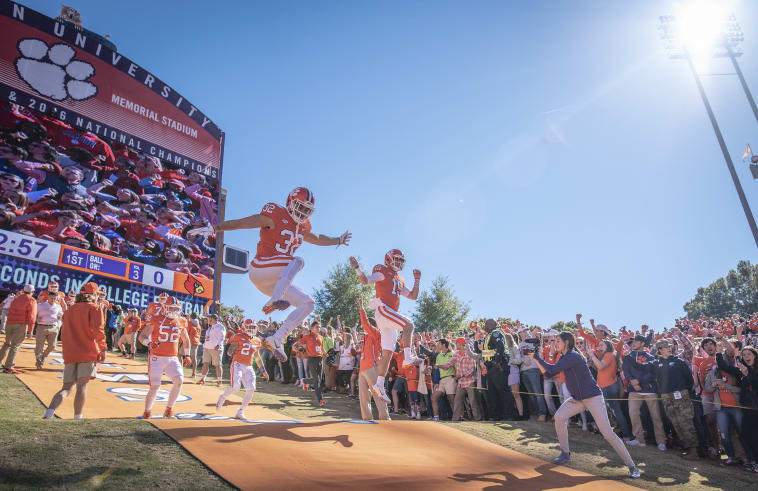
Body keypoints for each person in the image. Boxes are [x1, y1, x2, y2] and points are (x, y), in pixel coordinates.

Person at [213, 187, 351, 362]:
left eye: (306, 210)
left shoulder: (303, 226)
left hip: (276, 281)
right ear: (290, 202)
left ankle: (277, 338)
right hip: (261, 267)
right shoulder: (276, 213)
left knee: (308, 304)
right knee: (298, 261)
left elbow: (317, 238)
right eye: (300, 206)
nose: (302, 212)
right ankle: (275, 299)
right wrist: (217, 227)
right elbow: (244, 222)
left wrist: (337, 240)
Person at [529, 331, 640, 479]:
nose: (555, 343)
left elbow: (550, 370)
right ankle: (565, 453)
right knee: (559, 417)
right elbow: (548, 374)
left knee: (607, 433)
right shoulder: (565, 356)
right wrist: (536, 358)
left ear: (567, 342)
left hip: (593, 398)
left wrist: (535, 357)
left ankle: (632, 466)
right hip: (577, 399)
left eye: (558, 341)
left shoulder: (572, 356)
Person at [349, 251, 421, 403]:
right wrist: (357, 268)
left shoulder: (399, 278)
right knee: (409, 324)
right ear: (388, 259)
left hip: (389, 316)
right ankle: (407, 358)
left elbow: (413, 296)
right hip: (383, 310)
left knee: (388, 352)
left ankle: (379, 385)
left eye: (401, 260)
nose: (399, 262)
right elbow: (365, 280)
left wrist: (417, 280)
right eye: (397, 259)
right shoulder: (382, 270)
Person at [626, 339, 699, 459]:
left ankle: (694, 450)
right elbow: (641, 367)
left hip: (681, 394)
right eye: (665, 347)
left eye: (669, 346)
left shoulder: (679, 361)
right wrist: (629, 358)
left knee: (685, 421)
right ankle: (687, 447)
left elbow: (689, 379)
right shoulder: (656, 363)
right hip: (665, 396)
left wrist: (686, 392)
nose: (669, 348)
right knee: (674, 421)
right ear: (659, 350)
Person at [43, 282, 106, 419]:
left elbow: (65, 330)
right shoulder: (94, 308)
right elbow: (98, 331)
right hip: (87, 351)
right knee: (82, 385)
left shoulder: (70, 310)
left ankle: (49, 413)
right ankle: (78, 418)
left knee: (66, 388)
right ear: (93, 295)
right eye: (97, 294)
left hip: (70, 352)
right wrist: (103, 349)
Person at [138, 296, 191, 419]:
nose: (173, 310)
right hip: (156, 357)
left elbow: (186, 339)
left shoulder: (182, 321)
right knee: (155, 386)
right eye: (171, 307)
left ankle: (169, 410)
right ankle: (147, 411)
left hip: (172, 358)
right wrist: (149, 344)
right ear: (165, 307)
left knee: (179, 381)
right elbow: (142, 337)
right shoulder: (156, 319)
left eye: (175, 308)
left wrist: (187, 354)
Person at [622, 334, 667, 449]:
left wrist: (640, 382)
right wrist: (632, 381)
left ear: (642, 343)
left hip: (650, 390)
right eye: (633, 341)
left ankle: (661, 441)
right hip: (634, 391)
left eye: (636, 341)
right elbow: (625, 370)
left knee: (656, 416)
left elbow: (653, 374)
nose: (633, 343)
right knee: (633, 414)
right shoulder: (629, 356)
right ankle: (639, 439)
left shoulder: (651, 357)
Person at [585, 340, 632, 443]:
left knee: (616, 411)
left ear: (608, 346)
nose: (599, 346)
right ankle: (615, 434)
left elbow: (601, 366)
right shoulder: (606, 355)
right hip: (605, 386)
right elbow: (601, 370)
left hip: (609, 386)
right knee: (608, 411)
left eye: (602, 345)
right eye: (599, 345)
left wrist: (592, 355)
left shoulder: (609, 355)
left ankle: (626, 435)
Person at [217, 321, 265, 419]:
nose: (252, 329)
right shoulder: (238, 336)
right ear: (244, 328)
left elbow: (257, 356)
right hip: (238, 364)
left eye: (253, 327)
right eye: (249, 327)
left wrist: (263, 370)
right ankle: (222, 397)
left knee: (251, 388)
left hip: (249, 366)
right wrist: (230, 351)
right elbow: (230, 349)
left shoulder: (257, 340)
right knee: (236, 387)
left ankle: (241, 411)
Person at [356, 297, 390, 420]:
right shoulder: (366, 337)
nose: (364, 329)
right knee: (363, 397)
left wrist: (361, 308)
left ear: (372, 326)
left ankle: (385, 419)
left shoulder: (376, 333)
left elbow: (365, 323)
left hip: (373, 368)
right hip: (363, 370)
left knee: (378, 395)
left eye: (366, 327)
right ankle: (367, 419)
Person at [0, 284, 37, 373]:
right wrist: (31, 330)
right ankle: (9, 367)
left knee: (7, 344)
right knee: (15, 346)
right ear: (33, 292)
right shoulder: (31, 300)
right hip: (20, 324)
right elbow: (32, 316)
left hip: (9, 323)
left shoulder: (16, 298)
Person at [34, 292, 64, 369]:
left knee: (52, 346)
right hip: (42, 327)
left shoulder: (58, 307)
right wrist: (36, 318)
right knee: (39, 346)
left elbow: (61, 315)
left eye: (55, 298)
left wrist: (60, 318)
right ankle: (39, 363)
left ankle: (44, 356)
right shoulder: (40, 305)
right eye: (51, 298)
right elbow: (33, 313)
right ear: (48, 297)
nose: (53, 300)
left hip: (53, 328)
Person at [302, 320, 325, 406]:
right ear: (311, 328)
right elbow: (298, 343)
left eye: (319, 327)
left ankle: (305, 380)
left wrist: (327, 354)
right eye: (316, 327)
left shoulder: (321, 337)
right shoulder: (307, 337)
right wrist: (296, 346)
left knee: (318, 379)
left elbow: (321, 349)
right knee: (317, 380)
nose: (318, 328)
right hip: (311, 359)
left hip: (320, 359)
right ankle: (320, 400)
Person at [199, 314, 225, 387]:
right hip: (207, 348)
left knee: (217, 365)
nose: (207, 320)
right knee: (205, 363)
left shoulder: (220, 326)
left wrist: (218, 345)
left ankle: (219, 381)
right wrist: (204, 346)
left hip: (216, 348)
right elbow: (207, 338)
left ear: (213, 319)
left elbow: (222, 337)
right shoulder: (210, 328)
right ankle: (203, 379)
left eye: (209, 318)